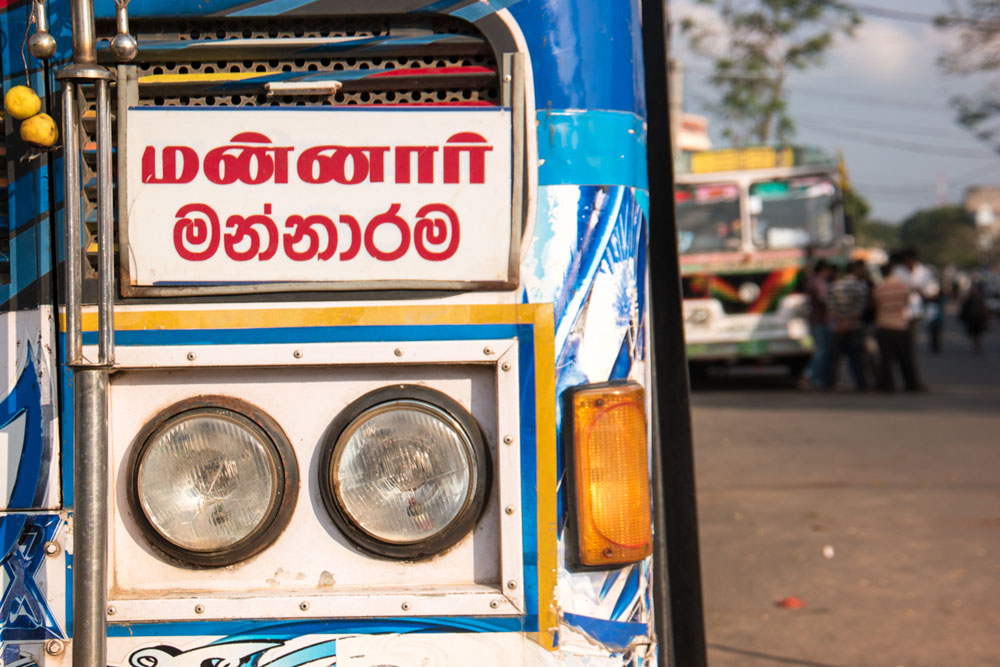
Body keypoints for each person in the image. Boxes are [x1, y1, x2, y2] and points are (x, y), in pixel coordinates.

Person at [874, 260, 923, 392]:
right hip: (901, 325)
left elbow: (875, 305)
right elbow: (907, 303)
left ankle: (887, 385)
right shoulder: (903, 287)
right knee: (906, 357)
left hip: (884, 325)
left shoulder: (879, 289)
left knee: (886, 359)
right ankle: (911, 384)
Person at [828, 260, 870, 390]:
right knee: (856, 357)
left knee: (835, 358)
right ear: (856, 270)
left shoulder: (835, 286)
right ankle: (861, 384)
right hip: (854, 327)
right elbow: (860, 309)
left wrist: (841, 322)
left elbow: (831, 308)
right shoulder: (861, 286)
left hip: (839, 327)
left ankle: (829, 383)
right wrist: (849, 322)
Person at [803, 259, 834, 389]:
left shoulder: (812, 281)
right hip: (821, 321)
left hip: (816, 320)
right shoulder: (819, 282)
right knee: (822, 350)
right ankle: (810, 374)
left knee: (822, 350)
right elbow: (824, 300)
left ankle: (817, 378)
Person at [959, 280, 989, 353]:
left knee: (978, 333)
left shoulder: (980, 297)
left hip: (979, 318)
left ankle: (977, 346)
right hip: (972, 318)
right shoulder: (970, 298)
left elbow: (984, 308)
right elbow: (964, 307)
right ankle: (975, 346)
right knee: (973, 334)